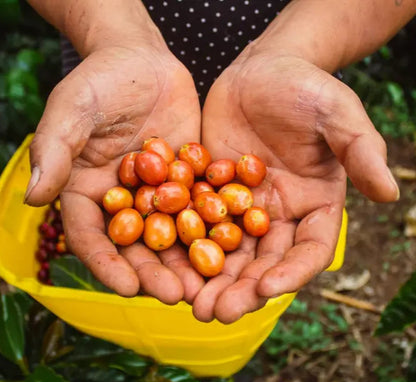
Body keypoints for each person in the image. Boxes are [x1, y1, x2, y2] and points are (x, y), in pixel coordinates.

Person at [24, 0, 416, 324]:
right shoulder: (165, 182)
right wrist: (114, 35)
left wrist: (299, 49)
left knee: (236, 296)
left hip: (277, 107)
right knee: (153, 285)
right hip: (124, 100)